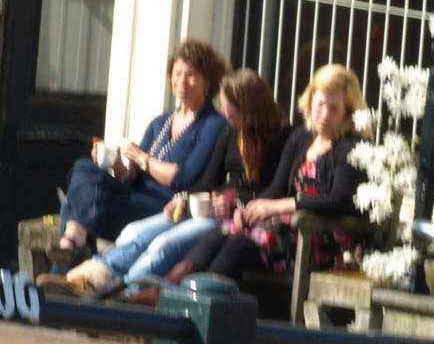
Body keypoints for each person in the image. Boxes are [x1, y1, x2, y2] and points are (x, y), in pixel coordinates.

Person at [54, 68, 288, 296]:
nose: (224, 111)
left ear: (246, 105)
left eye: (229, 106)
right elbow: (207, 182)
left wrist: (236, 206)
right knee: (134, 232)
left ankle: (122, 293)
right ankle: (90, 278)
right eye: (224, 105)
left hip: (238, 220)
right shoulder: (229, 132)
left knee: (163, 245)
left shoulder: (279, 136)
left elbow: (276, 189)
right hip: (209, 210)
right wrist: (184, 199)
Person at [47, 37, 229, 266]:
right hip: (136, 195)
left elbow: (184, 178)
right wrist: (116, 164)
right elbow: (132, 176)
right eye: (177, 73)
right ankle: (73, 244)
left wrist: (142, 158)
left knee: (79, 209)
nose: (182, 80)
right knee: (84, 168)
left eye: (190, 74)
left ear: (207, 81)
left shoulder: (213, 124)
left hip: (168, 206)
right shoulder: (161, 122)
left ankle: (65, 264)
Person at [180, 62, 367, 286]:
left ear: (348, 112)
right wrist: (248, 209)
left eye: (334, 108)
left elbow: (338, 200)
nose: (324, 114)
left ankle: (200, 300)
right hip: (286, 228)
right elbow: (276, 188)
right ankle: (168, 293)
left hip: (319, 237)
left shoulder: (351, 147)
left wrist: (279, 207)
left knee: (239, 246)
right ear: (310, 101)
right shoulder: (301, 137)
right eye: (320, 104)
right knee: (216, 235)